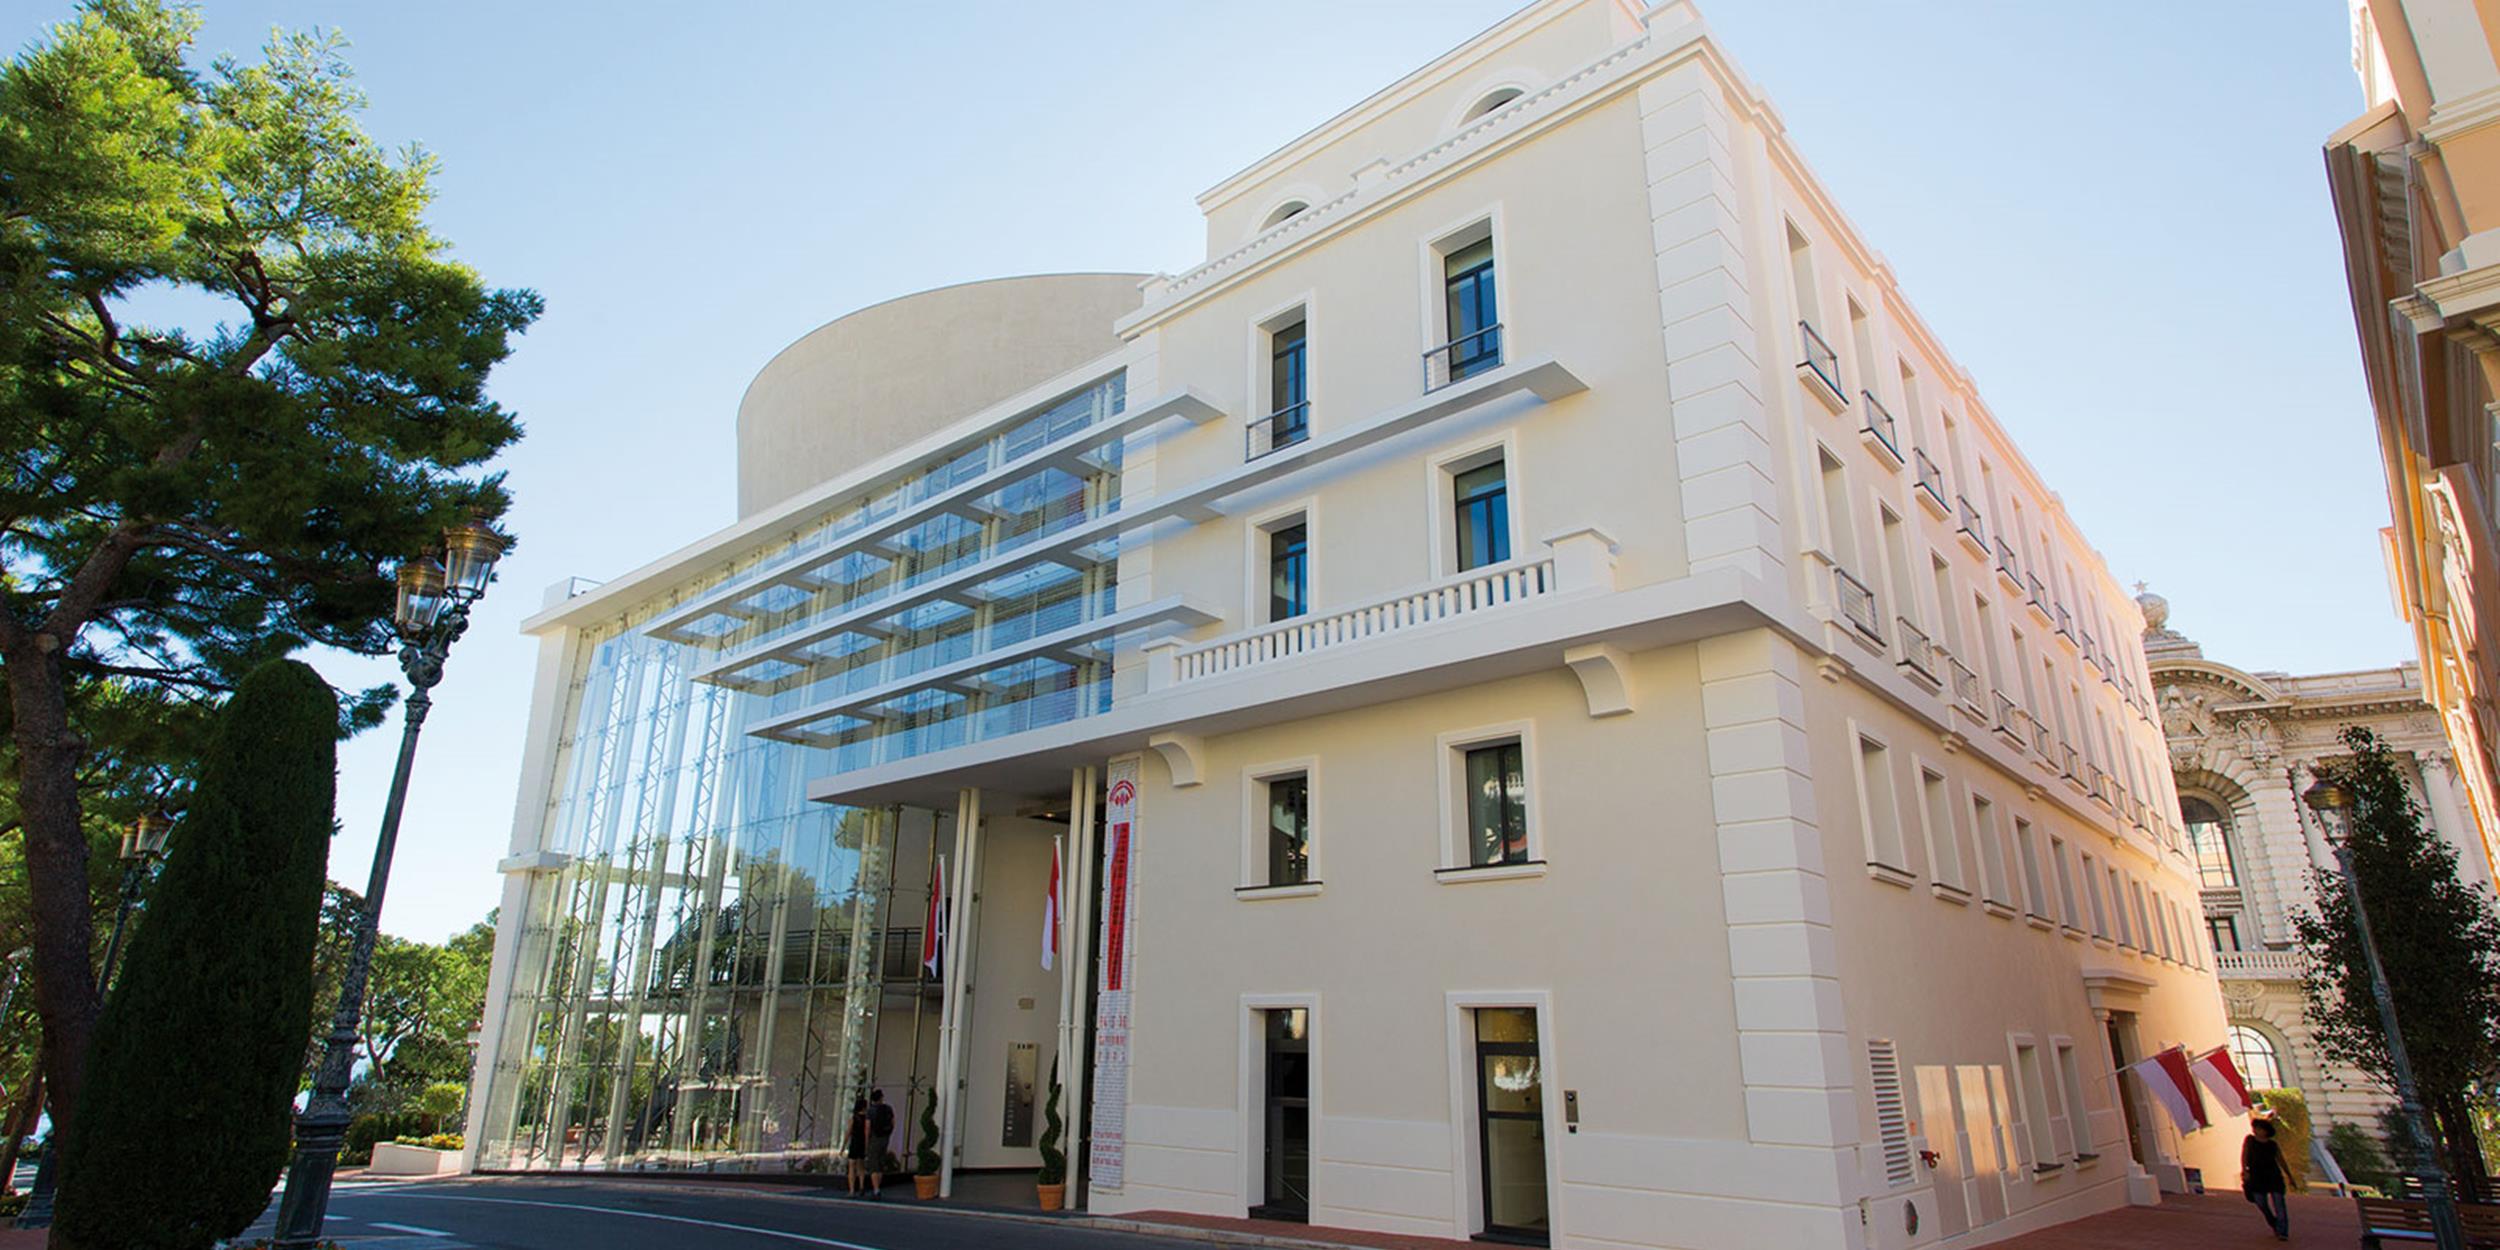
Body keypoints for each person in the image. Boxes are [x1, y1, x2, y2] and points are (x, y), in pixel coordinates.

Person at [2242, 1117, 2290, 1240]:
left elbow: (2281, 1160)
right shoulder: (2250, 1141)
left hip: (2273, 1176)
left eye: (2258, 1128)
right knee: (2260, 1202)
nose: (2255, 1131)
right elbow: (2244, 1155)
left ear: (2265, 1131)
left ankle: (2282, 1231)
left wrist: (2289, 1176)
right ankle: (2273, 1222)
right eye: (2255, 1128)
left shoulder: (2272, 1145)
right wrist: (2245, 1171)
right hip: (2256, 1176)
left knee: (2279, 1204)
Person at [865, 1089, 896, 1200]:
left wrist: (867, 1141)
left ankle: (876, 1190)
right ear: (881, 1098)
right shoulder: (888, 1109)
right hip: (884, 1138)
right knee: (880, 1163)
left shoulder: (870, 1111)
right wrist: (888, 1134)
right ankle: (878, 1187)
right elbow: (893, 1123)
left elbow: (867, 1127)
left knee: (873, 1164)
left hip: (874, 1138)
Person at [844, 1098, 870, 1198]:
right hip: (862, 1143)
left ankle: (852, 1190)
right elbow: (867, 1132)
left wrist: (843, 1146)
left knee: (851, 1166)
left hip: (854, 1142)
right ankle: (861, 1186)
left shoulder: (854, 1118)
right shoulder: (866, 1119)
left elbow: (848, 1132)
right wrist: (866, 1145)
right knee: (861, 1166)